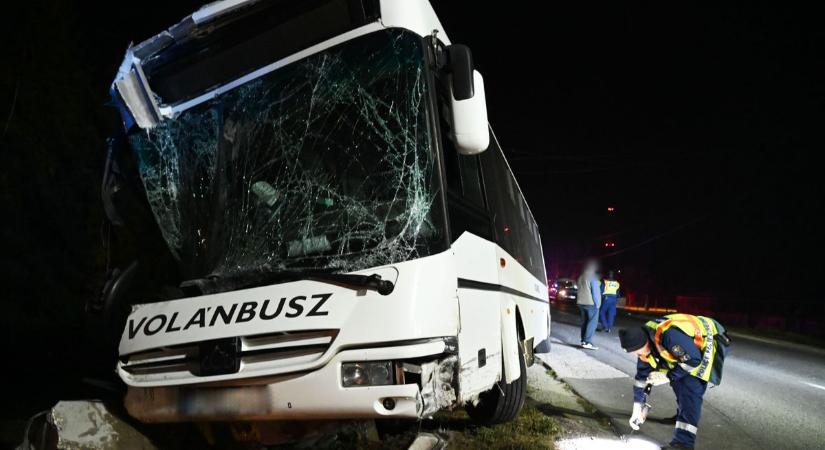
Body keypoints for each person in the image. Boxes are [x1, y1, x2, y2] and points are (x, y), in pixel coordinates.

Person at [619, 314, 731, 450]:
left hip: (708, 340)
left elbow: (693, 360)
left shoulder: (668, 336)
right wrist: (637, 407)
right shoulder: (642, 342)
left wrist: (668, 376)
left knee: (689, 389)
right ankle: (682, 416)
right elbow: (641, 379)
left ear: (645, 343)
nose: (636, 355)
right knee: (677, 380)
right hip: (687, 350)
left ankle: (683, 443)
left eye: (636, 352)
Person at [576, 260, 602, 350]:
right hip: (591, 303)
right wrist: (598, 304)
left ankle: (583, 341)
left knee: (584, 322)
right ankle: (587, 342)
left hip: (580, 302)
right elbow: (595, 292)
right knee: (592, 323)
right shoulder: (593, 277)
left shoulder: (581, 277)